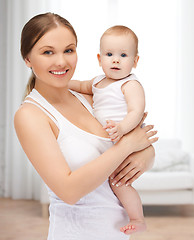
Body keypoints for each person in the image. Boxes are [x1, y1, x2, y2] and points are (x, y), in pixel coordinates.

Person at [14, 13, 158, 240]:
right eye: (48, 52)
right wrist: (128, 145)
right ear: (28, 59)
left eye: (69, 50)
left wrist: (147, 155)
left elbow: (137, 139)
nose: (61, 61)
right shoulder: (30, 115)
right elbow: (69, 191)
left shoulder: (91, 98)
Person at [69, 25, 147, 234]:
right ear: (99, 58)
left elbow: (136, 111)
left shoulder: (130, 84)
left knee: (119, 182)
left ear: (135, 61)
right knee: (109, 178)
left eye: (123, 55)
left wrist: (122, 128)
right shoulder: (97, 82)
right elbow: (81, 85)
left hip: (124, 138)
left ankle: (137, 218)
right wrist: (65, 83)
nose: (115, 59)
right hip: (110, 142)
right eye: (109, 54)